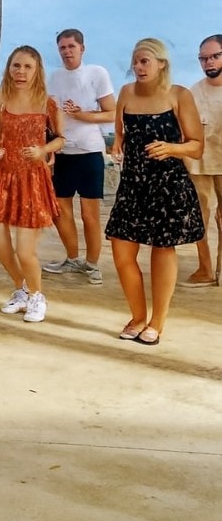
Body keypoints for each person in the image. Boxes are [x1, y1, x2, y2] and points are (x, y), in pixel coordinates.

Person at [105, 38, 204, 345]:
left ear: (162, 63)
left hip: (168, 185)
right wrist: (117, 146)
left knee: (162, 251)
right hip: (133, 184)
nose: (138, 66)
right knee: (121, 251)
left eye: (145, 61)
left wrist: (172, 148)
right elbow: (120, 131)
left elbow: (197, 146)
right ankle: (137, 315)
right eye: (135, 61)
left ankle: (156, 322)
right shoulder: (126, 93)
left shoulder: (179, 95)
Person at [0, 46, 64, 323]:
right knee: (0, 245)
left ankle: (37, 295)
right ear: (9, 69)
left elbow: (60, 138)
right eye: (16, 66)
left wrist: (43, 150)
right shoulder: (0, 97)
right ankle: (21, 290)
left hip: (32, 181)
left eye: (27, 67)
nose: (21, 72)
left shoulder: (48, 101)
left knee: (25, 251)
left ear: (37, 71)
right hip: (3, 179)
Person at [42, 29, 116, 285]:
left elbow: (112, 113)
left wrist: (84, 114)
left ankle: (93, 264)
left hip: (90, 151)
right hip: (63, 152)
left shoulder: (97, 73)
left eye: (71, 46)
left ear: (82, 48)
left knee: (89, 214)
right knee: (60, 211)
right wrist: (48, 147)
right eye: (62, 47)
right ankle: (72, 259)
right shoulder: (54, 78)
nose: (67, 51)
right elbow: (50, 117)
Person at [182, 34, 222, 287]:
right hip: (198, 165)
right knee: (200, 218)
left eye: (214, 56)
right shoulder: (193, 92)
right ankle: (205, 269)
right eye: (203, 58)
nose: (208, 63)